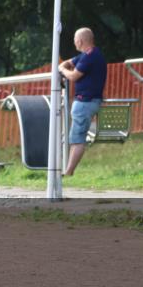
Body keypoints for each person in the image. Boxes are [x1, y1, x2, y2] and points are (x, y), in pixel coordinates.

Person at [58, 27, 107, 176]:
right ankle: (68, 170)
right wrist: (64, 65)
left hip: (85, 102)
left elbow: (73, 76)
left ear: (79, 41)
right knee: (75, 138)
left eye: (75, 40)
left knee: (77, 140)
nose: (74, 43)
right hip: (91, 101)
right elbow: (70, 62)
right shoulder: (92, 54)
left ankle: (68, 172)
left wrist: (62, 70)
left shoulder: (88, 57)